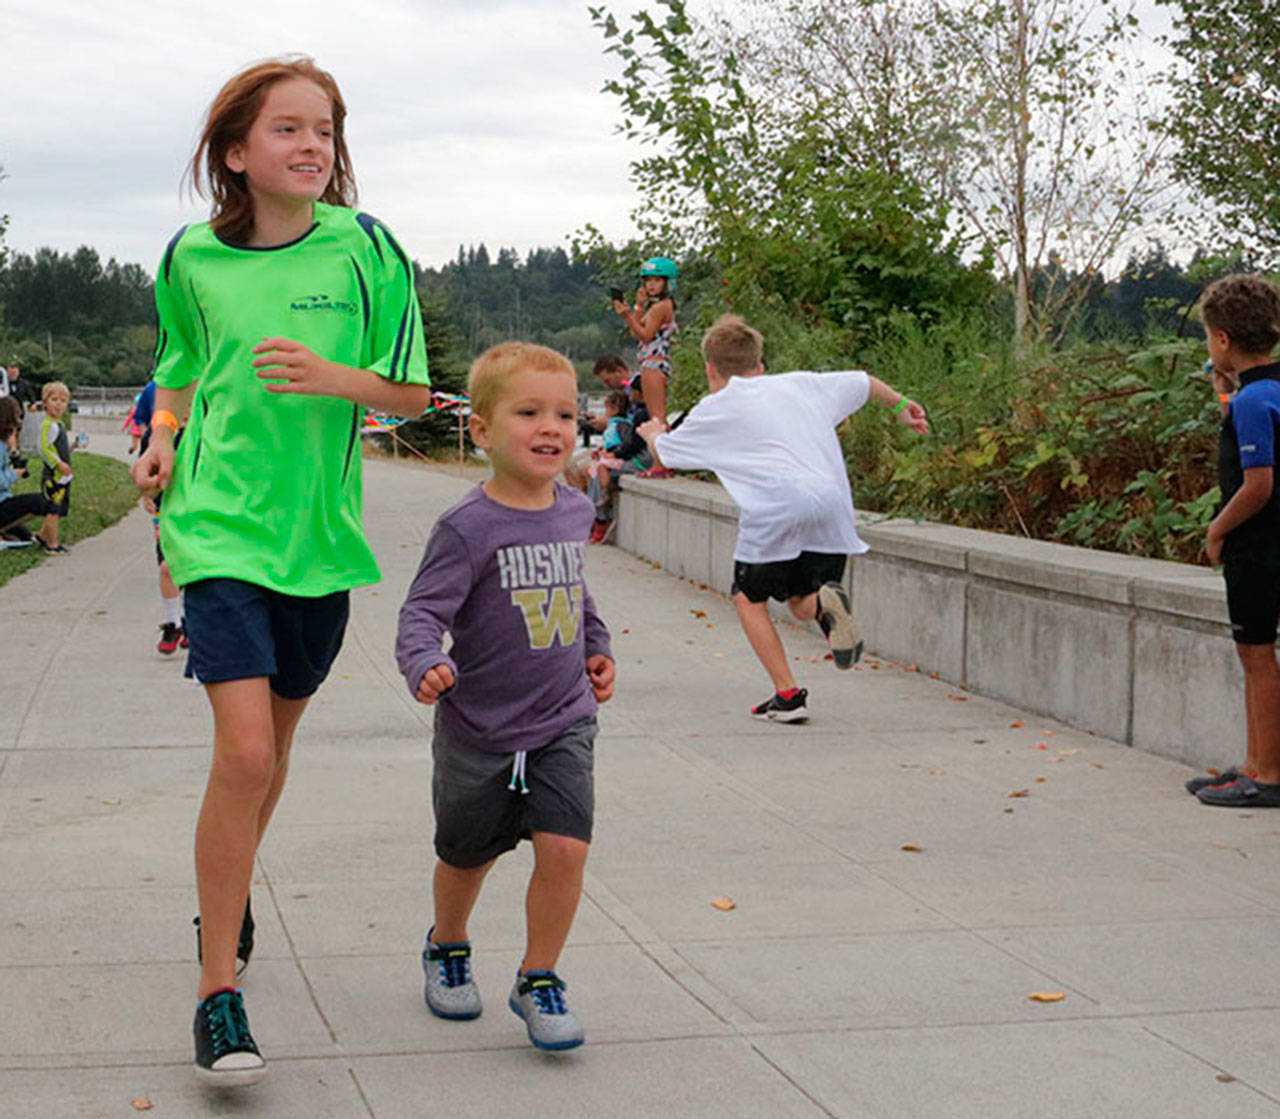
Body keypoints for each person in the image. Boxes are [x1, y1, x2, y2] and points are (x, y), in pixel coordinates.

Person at [130, 55, 431, 1086]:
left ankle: (228, 884)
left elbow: (409, 396)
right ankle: (220, 993)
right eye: (288, 130)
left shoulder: (367, 251)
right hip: (215, 530)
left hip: (319, 542)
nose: (312, 147)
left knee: (275, 747)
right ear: (234, 153)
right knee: (246, 753)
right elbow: (177, 363)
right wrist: (164, 436)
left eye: (325, 131)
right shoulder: (191, 259)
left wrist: (333, 376)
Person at [395, 341, 614, 1053]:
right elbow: (421, 613)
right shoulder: (467, 527)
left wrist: (597, 647)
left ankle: (539, 974)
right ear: (483, 430)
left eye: (564, 412)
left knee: (565, 848)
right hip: (479, 727)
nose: (552, 426)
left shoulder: (574, 510)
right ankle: (448, 944)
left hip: (562, 719)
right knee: (466, 854)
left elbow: (576, 594)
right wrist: (424, 660)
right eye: (529, 412)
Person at [638, 313, 928, 723]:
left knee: (748, 598)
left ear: (710, 369)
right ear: (760, 364)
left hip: (776, 506)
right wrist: (901, 406)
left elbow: (667, 454)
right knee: (799, 601)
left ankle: (788, 695)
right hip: (831, 502)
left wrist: (653, 431)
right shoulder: (800, 383)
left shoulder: (716, 405)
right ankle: (825, 607)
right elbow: (863, 381)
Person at [1183, 275, 1280, 808]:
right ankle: (1253, 763)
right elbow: (1244, 425)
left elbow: (1258, 483)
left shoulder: (1253, 401)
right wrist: (1224, 386)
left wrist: (1217, 528)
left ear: (1221, 338)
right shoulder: (1264, 392)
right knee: (1254, 654)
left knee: (1257, 654)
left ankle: (1267, 773)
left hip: (1257, 547)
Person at [612, 257, 677, 438]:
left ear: (667, 282)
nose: (651, 285)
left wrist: (626, 316)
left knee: (657, 418)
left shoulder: (661, 307)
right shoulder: (655, 306)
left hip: (654, 363)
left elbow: (645, 336)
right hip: (650, 363)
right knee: (655, 416)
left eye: (657, 280)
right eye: (648, 281)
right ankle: (661, 459)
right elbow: (637, 331)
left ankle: (661, 461)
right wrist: (638, 306)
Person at [587, 386, 652, 543]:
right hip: (627, 458)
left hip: (636, 461)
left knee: (598, 469)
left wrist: (612, 453)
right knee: (594, 469)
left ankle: (601, 511)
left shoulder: (623, 423)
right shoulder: (628, 419)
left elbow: (627, 445)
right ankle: (594, 512)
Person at [0, 396, 55, 546]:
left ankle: (6, 533)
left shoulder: (3, 445)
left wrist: (12, 448)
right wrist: (14, 474)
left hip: (4, 500)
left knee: (25, 537)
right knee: (40, 501)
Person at [35, 381, 73, 555]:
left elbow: (57, 447)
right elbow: (43, 447)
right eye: (54, 399)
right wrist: (57, 463)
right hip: (53, 476)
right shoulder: (48, 425)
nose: (59, 404)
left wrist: (72, 447)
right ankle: (52, 543)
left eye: (63, 400)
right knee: (53, 509)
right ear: (45, 403)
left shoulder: (59, 424)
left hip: (63, 476)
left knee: (59, 507)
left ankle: (43, 536)